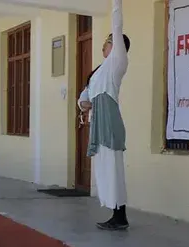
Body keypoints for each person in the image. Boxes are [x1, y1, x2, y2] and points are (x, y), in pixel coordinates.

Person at [78, 0, 132, 231]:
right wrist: (83, 104)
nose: (103, 47)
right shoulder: (100, 71)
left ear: (116, 45)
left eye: (106, 43)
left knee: (114, 168)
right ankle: (115, 214)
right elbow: (85, 96)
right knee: (104, 169)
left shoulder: (117, 62)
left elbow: (117, 26)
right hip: (98, 123)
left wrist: (116, 3)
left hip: (109, 124)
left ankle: (120, 216)